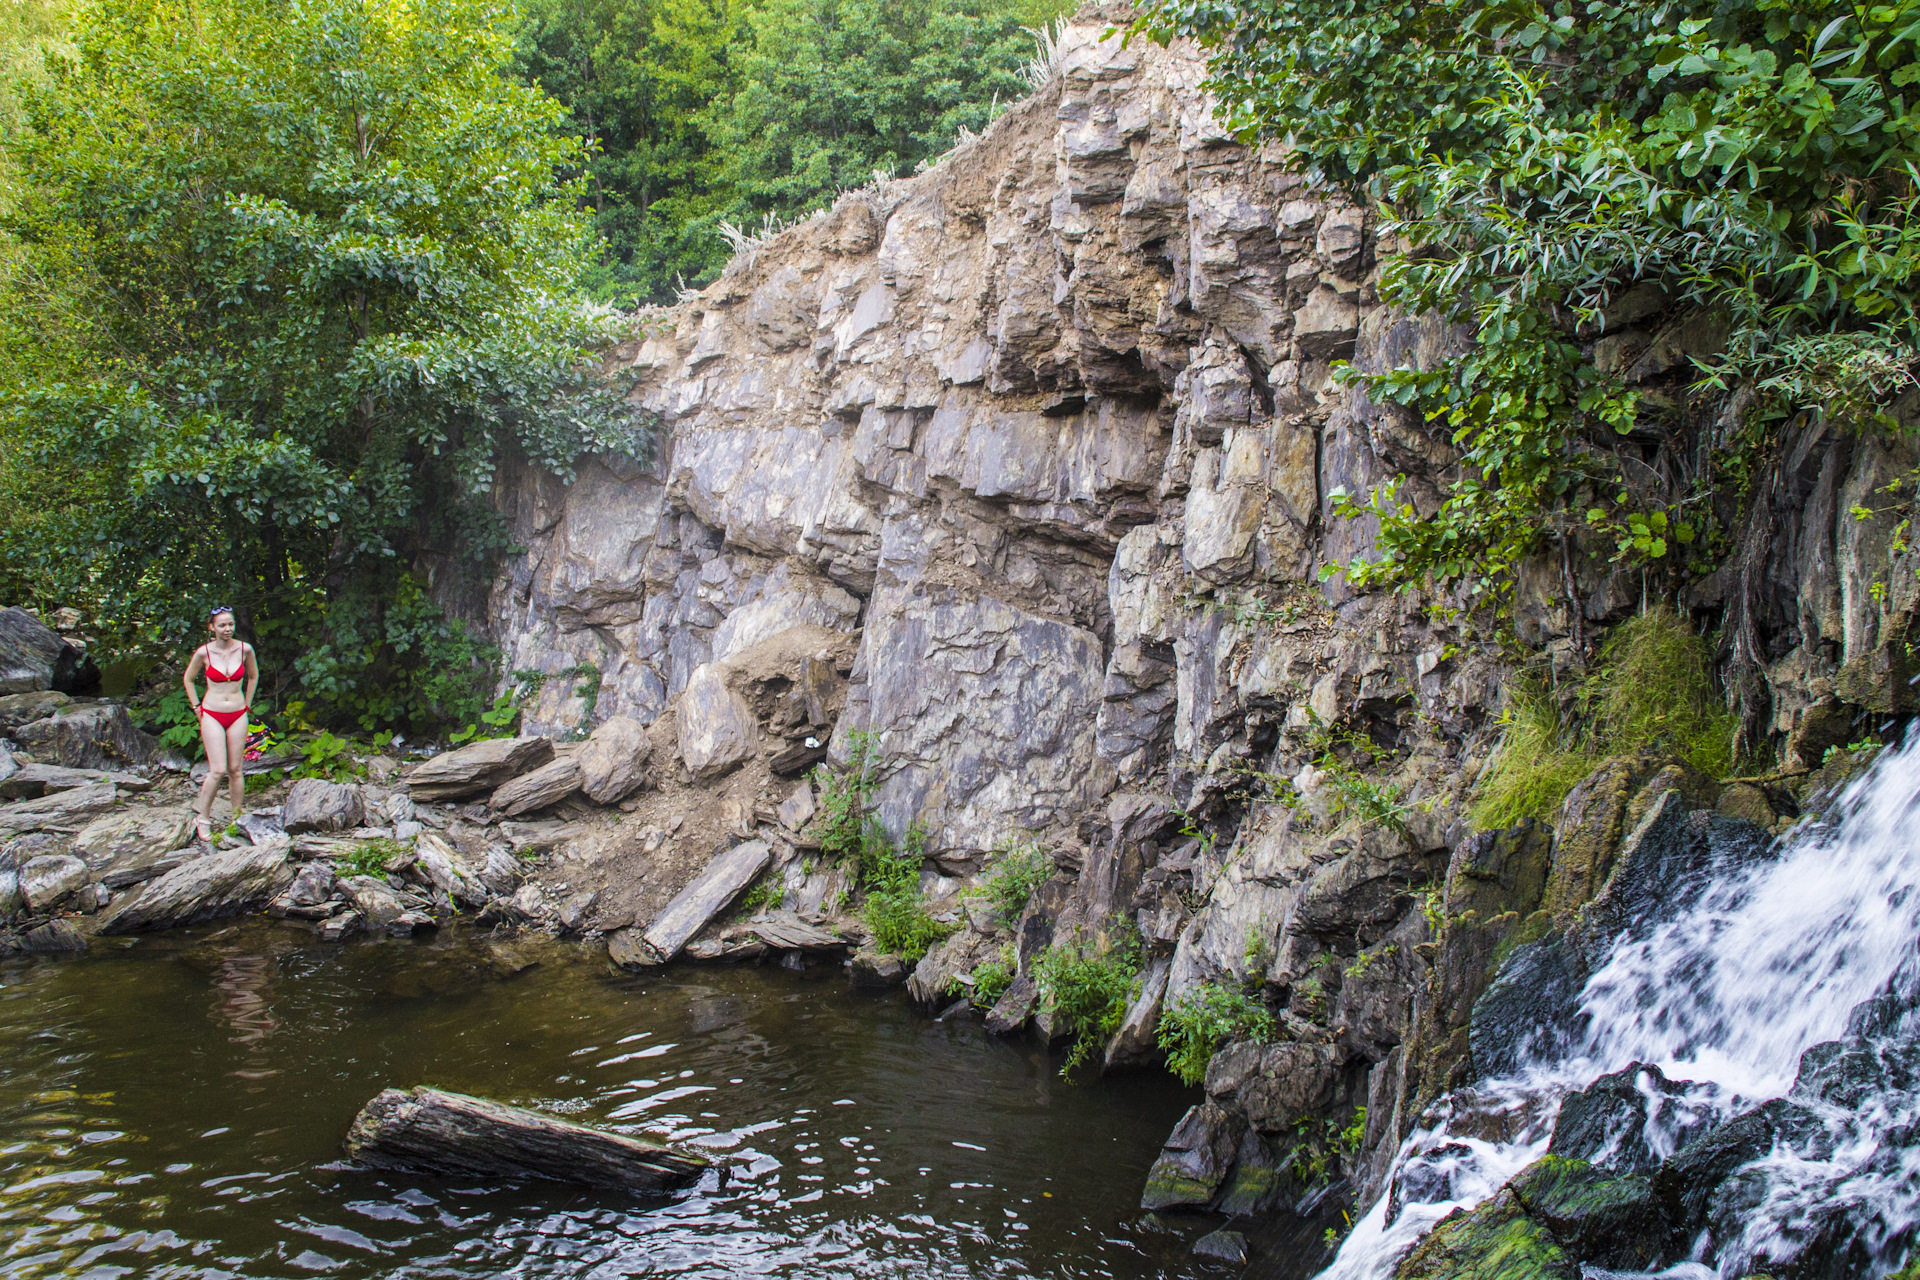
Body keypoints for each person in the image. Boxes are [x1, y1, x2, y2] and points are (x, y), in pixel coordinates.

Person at [183, 605, 257, 842]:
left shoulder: (245, 649)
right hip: (212, 714)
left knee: (236, 770)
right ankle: (202, 818)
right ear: (212, 628)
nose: (227, 629)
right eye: (222, 625)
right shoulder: (204, 653)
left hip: (237, 714)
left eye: (231, 624)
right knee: (218, 770)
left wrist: (247, 703)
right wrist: (196, 707)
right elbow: (188, 678)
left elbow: (253, 676)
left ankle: (237, 818)